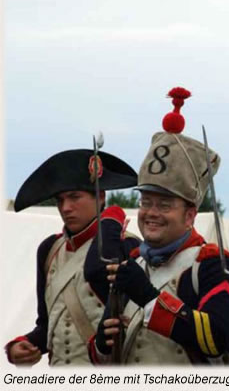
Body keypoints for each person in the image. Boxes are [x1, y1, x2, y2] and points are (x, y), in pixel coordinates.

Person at [88, 87, 229, 365]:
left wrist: (147, 297)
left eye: (165, 205)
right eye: (146, 202)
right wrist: (101, 344)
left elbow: (217, 339)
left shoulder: (211, 265)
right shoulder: (134, 263)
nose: (151, 213)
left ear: (190, 215)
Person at [4, 149, 139, 366]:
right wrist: (22, 345)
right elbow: (48, 325)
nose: (66, 208)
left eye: (75, 197)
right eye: (60, 200)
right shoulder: (49, 250)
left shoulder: (127, 245)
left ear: (101, 196)